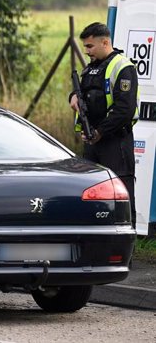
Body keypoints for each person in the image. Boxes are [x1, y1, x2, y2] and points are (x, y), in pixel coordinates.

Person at [69, 22, 139, 226]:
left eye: (90, 46)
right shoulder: (91, 68)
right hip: (92, 141)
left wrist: (100, 131)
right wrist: (72, 96)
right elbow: (84, 93)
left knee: (121, 195)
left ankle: (126, 248)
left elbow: (124, 110)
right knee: (91, 193)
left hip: (115, 141)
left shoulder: (123, 67)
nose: (87, 51)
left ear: (105, 42)